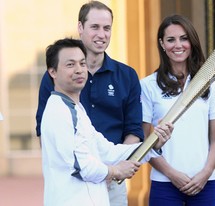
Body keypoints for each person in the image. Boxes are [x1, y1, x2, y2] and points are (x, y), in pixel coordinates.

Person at [41, 38, 173, 206]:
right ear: (52, 72)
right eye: (70, 64)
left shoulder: (76, 109)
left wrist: (153, 143)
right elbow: (79, 165)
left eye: (82, 63)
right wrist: (115, 171)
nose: (79, 70)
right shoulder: (59, 112)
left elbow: (108, 151)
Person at [35, 1, 143, 204]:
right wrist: (106, 171)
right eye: (95, 27)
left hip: (113, 182)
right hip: (74, 187)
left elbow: (133, 130)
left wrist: (116, 171)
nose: (101, 34)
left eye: (107, 28)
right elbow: (47, 135)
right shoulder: (56, 82)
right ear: (80, 28)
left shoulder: (126, 76)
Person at [140, 14, 215, 205]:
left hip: (204, 182)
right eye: (171, 40)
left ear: (192, 42)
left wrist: (205, 173)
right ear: (162, 44)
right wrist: (171, 174)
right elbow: (145, 139)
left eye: (184, 38)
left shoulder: (210, 82)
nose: (178, 45)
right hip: (165, 182)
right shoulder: (148, 85)